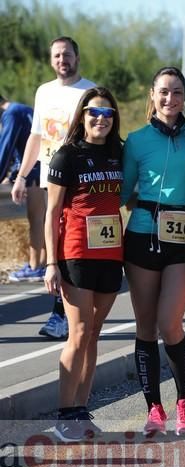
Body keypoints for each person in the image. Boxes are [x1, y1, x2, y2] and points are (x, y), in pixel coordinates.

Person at [121, 66, 185, 437]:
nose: (170, 99)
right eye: (164, 92)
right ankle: (154, 407)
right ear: (152, 95)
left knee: (170, 322)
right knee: (146, 327)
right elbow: (122, 193)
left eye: (178, 92)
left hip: (183, 240)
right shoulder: (135, 141)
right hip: (141, 237)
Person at [44, 86, 123, 442]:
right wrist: (50, 263)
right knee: (77, 332)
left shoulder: (119, 154)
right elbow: (51, 213)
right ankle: (64, 415)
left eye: (107, 114)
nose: (100, 119)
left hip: (111, 254)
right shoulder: (66, 156)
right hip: (75, 252)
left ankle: (80, 410)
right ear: (83, 115)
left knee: (93, 333)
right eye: (94, 112)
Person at [11, 36, 95, 339]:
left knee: (70, 247)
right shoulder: (44, 92)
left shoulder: (90, 92)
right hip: (50, 180)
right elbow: (36, 137)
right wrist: (21, 176)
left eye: (68, 55)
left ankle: (65, 313)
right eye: (57, 56)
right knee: (55, 245)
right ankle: (64, 313)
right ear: (51, 60)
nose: (63, 60)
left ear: (77, 57)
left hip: (78, 182)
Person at [0, 95, 46, 281]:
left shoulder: (11, 114)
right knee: (42, 219)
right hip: (44, 167)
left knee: (35, 218)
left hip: (34, 171)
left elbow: (6, 148)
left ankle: (35, 266)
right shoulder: (23, 108)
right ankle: (43, 262)